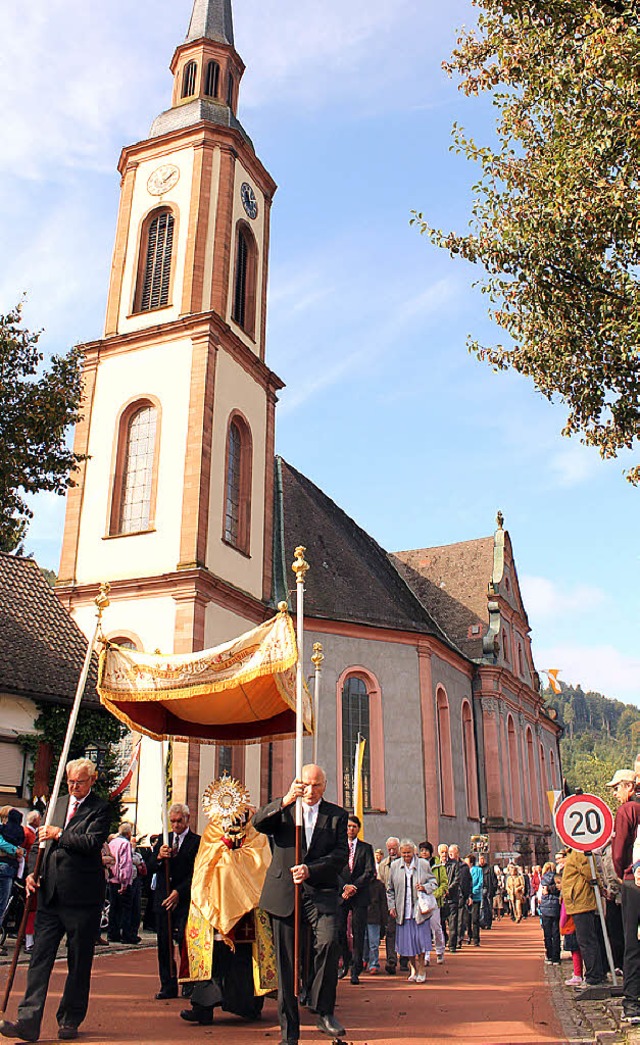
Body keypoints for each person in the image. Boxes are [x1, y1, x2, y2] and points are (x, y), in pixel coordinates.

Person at [0, 758, 111, 1043]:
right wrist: (32, 874)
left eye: (80, 782)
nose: (74, 787)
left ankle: (70, 1018)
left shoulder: (100, 809)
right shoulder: (57, 804)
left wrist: (60, 834)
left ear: (92, 780)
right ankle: (28, 1020)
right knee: (39, 958)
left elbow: (90, 843)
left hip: (83, 898)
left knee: (78, 960)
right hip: (50, 895)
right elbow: (41, 842)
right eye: (70, 781)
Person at [253, 763, 348, 1043]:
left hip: (321, 892)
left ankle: (322, 1009)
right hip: (284, 893)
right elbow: (258, 822)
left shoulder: (337, 816)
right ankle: (289, 1031)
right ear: (298, 783)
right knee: (285, 965)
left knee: (329, 943)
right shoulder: (284, 812)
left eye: (316, 785)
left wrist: (312, 869)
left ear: (324, 786)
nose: (309, 790)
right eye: (305, 784)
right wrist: (284, 800)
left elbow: (341, 854)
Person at [180, 776, 275, 1026]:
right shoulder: (212, 832)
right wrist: (223, 846)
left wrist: (236, 853)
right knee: (212, 957)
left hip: (245, 908)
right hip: (213, 905)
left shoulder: (255, 833)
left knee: (243, 956)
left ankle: (246, 1005)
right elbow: (203, 864)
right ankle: (203, 1007)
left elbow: (260, 863)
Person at [149, 803, 200, 1000]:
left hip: (184, 899)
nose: (176, 825)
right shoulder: (164, 839)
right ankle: (167, 984)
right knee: (164, 943)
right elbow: (150, 866)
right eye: (173, 821)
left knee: (185, 943)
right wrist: (160, 857)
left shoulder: (196, 842)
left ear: (187, 819)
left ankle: (188, 982)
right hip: (163, 899)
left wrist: (180, 892)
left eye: (179, 821)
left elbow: (197, 872)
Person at [608, 767, 640, 1023]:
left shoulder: (627, 810)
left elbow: (618, 851)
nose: (615, 792)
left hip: (633, 880)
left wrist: (621, 873)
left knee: (632, 942)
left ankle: (631, 1002)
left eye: (617, 787)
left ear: (629, 787)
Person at [386, 840, 437, 983]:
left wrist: (425, 887)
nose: (406, 856)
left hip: (419, 911)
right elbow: (390, 889)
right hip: (403, 912)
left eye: (409, 853)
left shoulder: (423, 865)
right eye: (404, 853)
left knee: (420, 942)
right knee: (407, 944)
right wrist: (392, 906)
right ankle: (413, 967)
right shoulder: (395, 866)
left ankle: (421, 968)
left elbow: (434, 883)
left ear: (414, 852)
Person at [337, 815, 375, 984]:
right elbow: (334, 869)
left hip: (359, 895)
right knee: (340, 930)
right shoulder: (338, 847)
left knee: (359, 932)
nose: (350, 829)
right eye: (348, 826)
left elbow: (369, 871)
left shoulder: (366, 848)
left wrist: (354, 887)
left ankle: (356, 968)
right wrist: (344, 887)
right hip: (342, 894)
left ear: (358, 829)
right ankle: (345, 961)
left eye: (354, 826)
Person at [561, 847, 605, 992]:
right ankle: (595, 974)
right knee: (587, 940)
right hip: (578, 901)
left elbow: (589, 872)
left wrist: (599, 886)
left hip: (581, 901)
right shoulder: (574, 851)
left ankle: (594, 976)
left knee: (586, 940)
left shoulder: (580, 851)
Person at [106, 823, 134, 944]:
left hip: (111, 879)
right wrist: (125, 882)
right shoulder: (125, 844)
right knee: (126, 908)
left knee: (114, 907)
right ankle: (126, 934)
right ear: (128, 833)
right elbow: (125, 863)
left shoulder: (111, 843)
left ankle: (112, 933)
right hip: (121, 880)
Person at [419, 842, 446, 964]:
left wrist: (435, 895)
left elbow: (444, 883)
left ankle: (440, 951)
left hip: (435, 902)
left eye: (426, 850)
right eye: (422, 850)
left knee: (436, 928)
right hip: (422, 902)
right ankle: (426, 955)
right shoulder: (417, 865)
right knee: (424, 929)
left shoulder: (438, 866)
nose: (423, 852)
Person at [377, 837, 400, 974]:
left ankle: (404, 959)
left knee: (404, 932)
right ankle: (391, 960)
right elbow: (381, 885)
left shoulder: (405, 863)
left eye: (394, 848)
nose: (391, 851)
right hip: (388, 903)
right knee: (390, 932)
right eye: (389, 849)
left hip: (403, 902)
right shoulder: (383, 865)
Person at [445, 844, 471, 951]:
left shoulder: (464, 867)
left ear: (457, 853)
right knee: (448, 920)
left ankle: (457, 940)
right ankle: (450, 939)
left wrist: (469, 895)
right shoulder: (446, 865)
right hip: (449, 895)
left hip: (460, 896)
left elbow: (469, 882)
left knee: (458, 920)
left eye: (452, 852)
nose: (450, 854)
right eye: (449, 852)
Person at [364, 874, 388, 975]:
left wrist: (384, 920)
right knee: (364, 942)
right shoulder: (361, 884)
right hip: (362, 916)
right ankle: (364, 960)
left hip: (375, 918)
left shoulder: (380, 885)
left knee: (373, 943)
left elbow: (383, 903)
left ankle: (373, 964)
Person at [538, 860, 561, 966]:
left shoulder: (543, 880)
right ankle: (556, 957)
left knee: (547, 934)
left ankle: (549, 955)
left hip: (545, 908)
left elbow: (540, 895)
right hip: (556, 907)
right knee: (556, 933)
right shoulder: (558, 878)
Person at [466, 854, 483, 946]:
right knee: (467, 919)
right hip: (467, 898)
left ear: (471, 862)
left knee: (475, 919)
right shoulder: (465, 870)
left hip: (476, 897)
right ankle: (469, 936)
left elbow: (480, 882)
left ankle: (476, 939)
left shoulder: (478, 870)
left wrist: (472, 892)